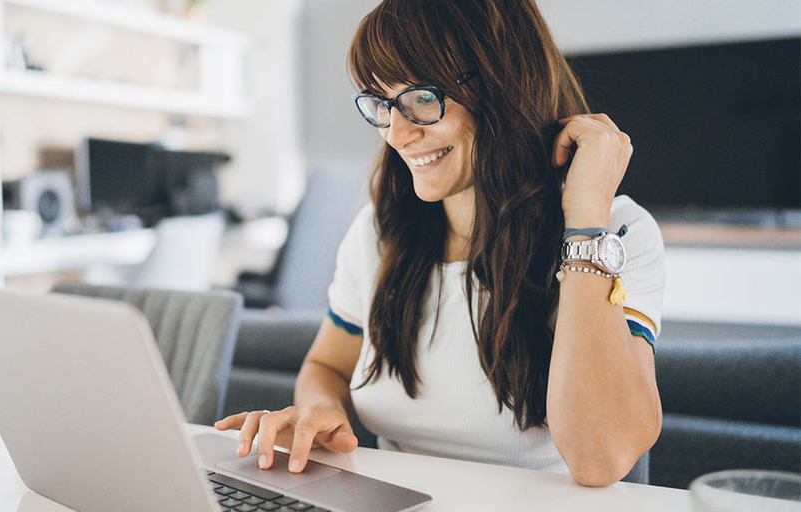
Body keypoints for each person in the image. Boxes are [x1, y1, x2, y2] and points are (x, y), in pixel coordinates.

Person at [216, 0, 665, 487]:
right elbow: (326, 364)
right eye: (383, 105)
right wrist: (320, 410)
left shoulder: (615, 233)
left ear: (504, 85)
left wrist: (583, 221)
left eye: (423, 99)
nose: (398, 134)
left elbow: (601, 459)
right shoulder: (380, 232)